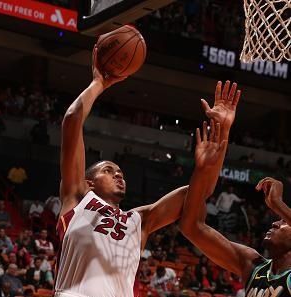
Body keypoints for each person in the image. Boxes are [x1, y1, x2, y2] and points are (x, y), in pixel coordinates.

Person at [54, 50, 236, 297]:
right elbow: (72, 120)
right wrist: (99, 82)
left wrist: (220, 136)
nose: (119, 175)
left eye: (120, 172)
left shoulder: (139, 221)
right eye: (109, 171)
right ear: (89, 182)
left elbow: (200, 193)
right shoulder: (78, 198)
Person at [179, 82, 291, 296]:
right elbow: (191, 226)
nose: (276, 221)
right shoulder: (252, 264)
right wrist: (205, 166)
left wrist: (279, 205)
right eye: (280, 218)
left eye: (285, 222)